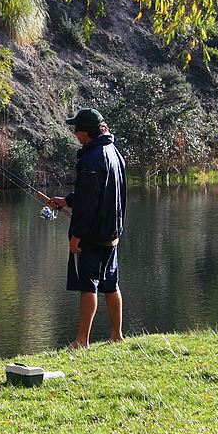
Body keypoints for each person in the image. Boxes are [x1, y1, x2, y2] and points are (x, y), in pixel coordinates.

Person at [49, 108, 126, 349]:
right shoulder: (114, 152)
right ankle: (117, 334)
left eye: (77, 129)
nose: (74, 134)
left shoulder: (92, 158)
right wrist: (67, 201)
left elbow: (91, 200)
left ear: (86, 132)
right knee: (111, 283)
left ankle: (82, 340)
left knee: (88, 285)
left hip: (92, 234)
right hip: (111, 232)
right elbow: (97, 191)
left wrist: (77, 236)